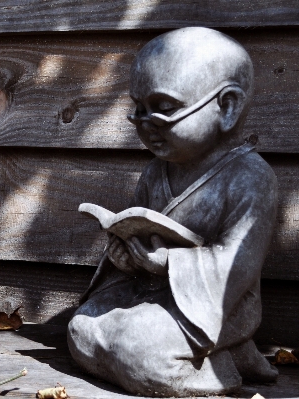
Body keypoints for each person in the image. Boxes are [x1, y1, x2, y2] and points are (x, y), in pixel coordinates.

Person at [67, 27, 279, 397]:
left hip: (215, 307)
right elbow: (141, 231)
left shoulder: (251, 178)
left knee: (138, 352)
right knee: (81, 331)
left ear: (227, 107)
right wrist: (125, 258)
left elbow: (237, 267)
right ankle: (205, 357)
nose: (147, 125)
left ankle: (224, 366)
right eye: (138, 109)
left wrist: (167, 262)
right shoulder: (154, 172)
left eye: (164, 109)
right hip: (150, 294)